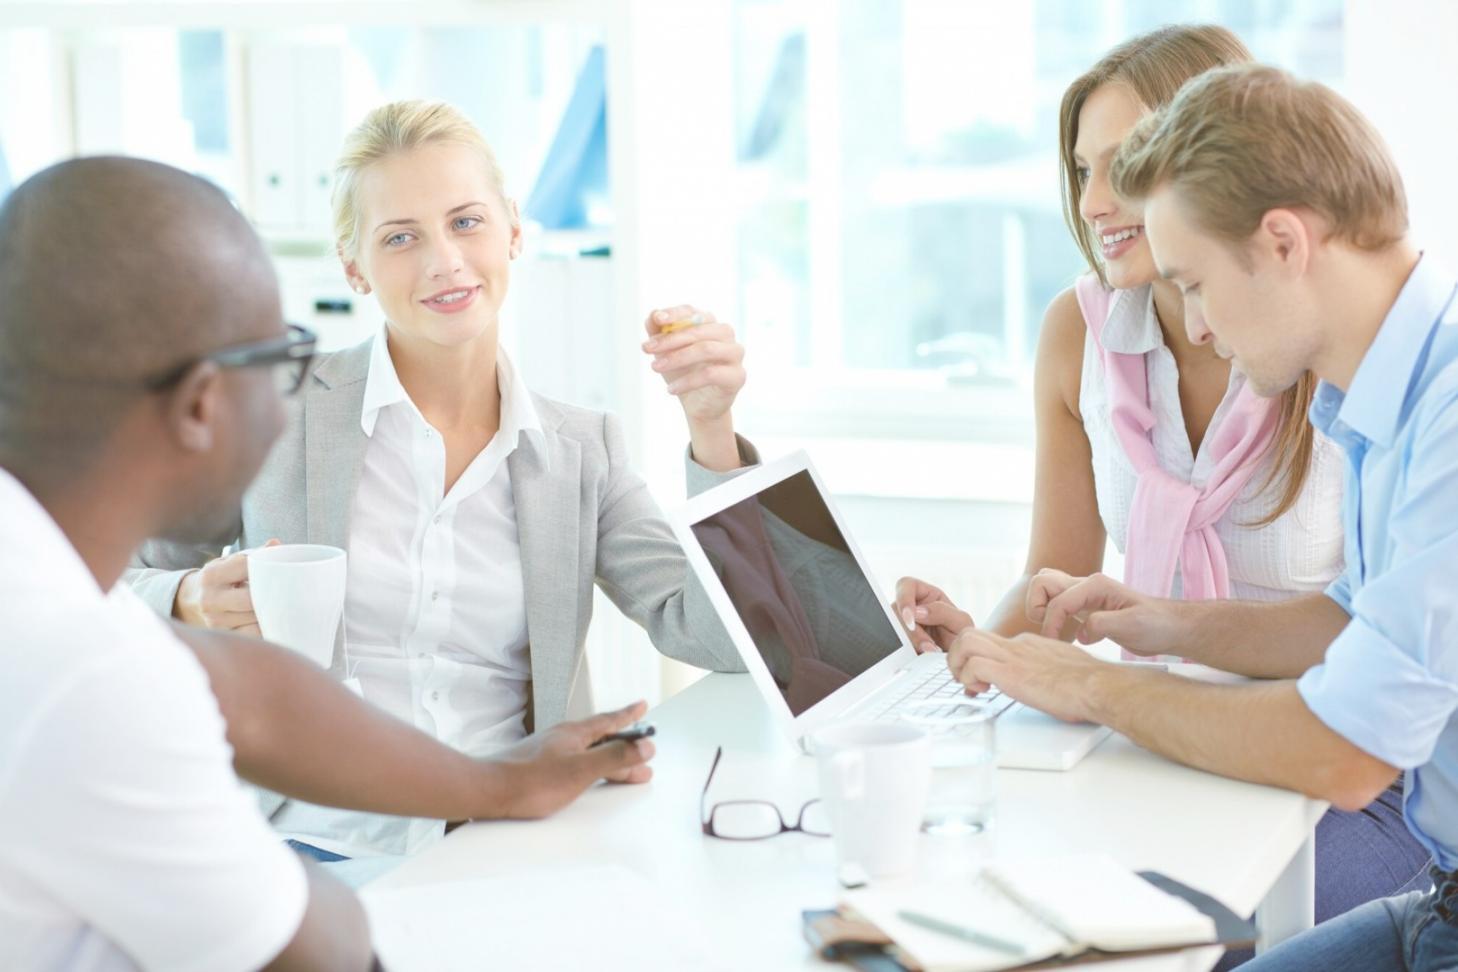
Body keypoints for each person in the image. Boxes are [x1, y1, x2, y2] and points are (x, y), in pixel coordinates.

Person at [0, 156, 658, 971]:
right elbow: (326, 954)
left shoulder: (34, 585)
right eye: (282, 356)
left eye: (466, 221)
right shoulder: (87, 685)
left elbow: (249, 693)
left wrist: (501, 786)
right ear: (204, 403)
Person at [894, 25, 1427, 937]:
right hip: (1227, 752)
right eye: (1081, 170)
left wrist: (1097, 686)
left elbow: (1352, 738)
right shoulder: (1376, 383)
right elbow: (1351, 615)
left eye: (1124, 167)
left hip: (1367, 793)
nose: (1095, 201)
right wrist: (1004, 655)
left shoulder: (1380, 384)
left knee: (1151, 936)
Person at [124, 99, 752, 863]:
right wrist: (189, 597)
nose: (444, 261)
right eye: (400, 237)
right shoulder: (272, 415)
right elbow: (98, 579)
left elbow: (724, 638)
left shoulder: (582, 450)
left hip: (506, 844)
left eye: (466, 222)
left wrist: (712, 431)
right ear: (354, 265)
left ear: (513, 231)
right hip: (308, 842)